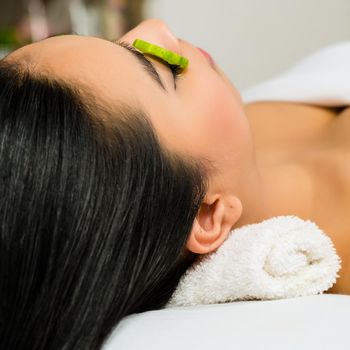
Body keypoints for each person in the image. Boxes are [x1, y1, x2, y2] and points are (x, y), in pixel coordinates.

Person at [0, 18, 348, 349]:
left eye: (113, 41)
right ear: (207, 216)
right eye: (165, 71)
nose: (157, 28)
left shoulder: (240, 135)